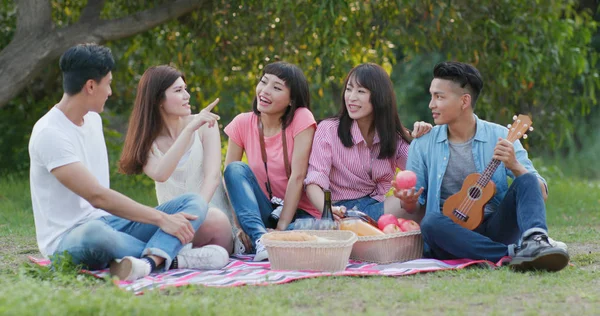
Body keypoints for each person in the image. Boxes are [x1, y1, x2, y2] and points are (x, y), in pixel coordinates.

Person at [28, 44, 229, 282]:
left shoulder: (93, 120)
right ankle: (177, 257)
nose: (110, 92)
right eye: (108, 83)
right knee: (97, 234)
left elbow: (102, 206)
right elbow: (98, 196)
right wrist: (161, 220)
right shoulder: (50, 133)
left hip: (110, 223)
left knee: (192, 201)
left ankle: (147, 261)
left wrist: (165, 218)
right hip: (70, 237)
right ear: (91, 86)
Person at [396, 61, 569, 272]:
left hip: (496, 228)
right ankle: (513, 254)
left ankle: (536, 242)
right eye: (432, 96)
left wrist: (514, 165)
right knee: (431, 223)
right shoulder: (423, 143)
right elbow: (414, 204)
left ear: (464, 101)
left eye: (439, 97)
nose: (431, 104)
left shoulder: (502, 136)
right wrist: (409, 201)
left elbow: (538, 192)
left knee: (527, 177)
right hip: (453, 235)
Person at [119, 65, 244, 256]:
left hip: (212, 222)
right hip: (173, 225)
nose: (187, 96)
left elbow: (212, 177)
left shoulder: (205, 125)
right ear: (158, 99)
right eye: (178, 91)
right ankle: (185, 259)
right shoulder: (147, 142)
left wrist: (195, 216)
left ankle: (169, 255)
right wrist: (188, 131)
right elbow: (161, 174)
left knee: (214, 218)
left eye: (185, 89)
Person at [304, 63, 431, 223]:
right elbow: (313, 182)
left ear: (379, 97)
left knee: (424, 199)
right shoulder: (329, 130)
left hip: (376, 208)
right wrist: (328, 209)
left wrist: (425, 140)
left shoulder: (392, 136)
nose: (351, 97)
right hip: (341, 211)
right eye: (349, 89)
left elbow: (421, 170)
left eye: (361, 91)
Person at [223, 61, 319, 261]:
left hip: (299, 214)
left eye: (276, 88)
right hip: (265, 211)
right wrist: (239, 227)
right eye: (263, 82)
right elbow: (230, 181)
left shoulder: (301, 118)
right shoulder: (242, 123)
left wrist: (282, 227)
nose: (265, 91)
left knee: (305, 231)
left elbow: (298, 176)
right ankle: (261, 238)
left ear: (291, 100)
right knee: (234, 169)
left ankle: (275, 239)